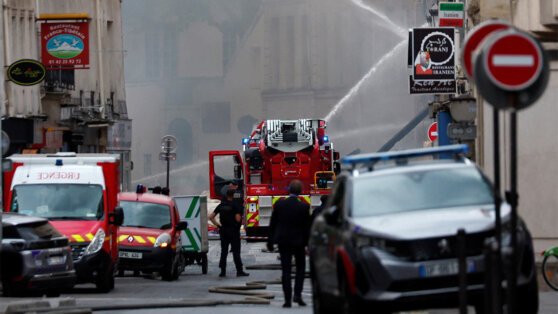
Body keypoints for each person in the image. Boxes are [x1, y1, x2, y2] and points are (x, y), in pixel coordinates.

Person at [267, 179, 310, 308]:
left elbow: (273, 224)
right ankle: (298, 294)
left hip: (283, 241)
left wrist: (270, 241)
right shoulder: (304, 207)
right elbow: (307, 227)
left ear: (289, 190)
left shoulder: (280, 205)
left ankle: (287, 300)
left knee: (286, 270)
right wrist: (308, 244)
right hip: (299, 242)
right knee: (300, 269)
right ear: (300, 192)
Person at [209, 188, 249, 277]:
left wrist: (218, 226)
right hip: (233, 231)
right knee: (236, 252)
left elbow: (211, 217)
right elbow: (238, 219)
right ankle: (239, 271)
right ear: (233, 196)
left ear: (226, 195)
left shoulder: (221, 205)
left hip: (223, 231)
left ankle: (223, 271)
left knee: (224, 251)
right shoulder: (235, 206)